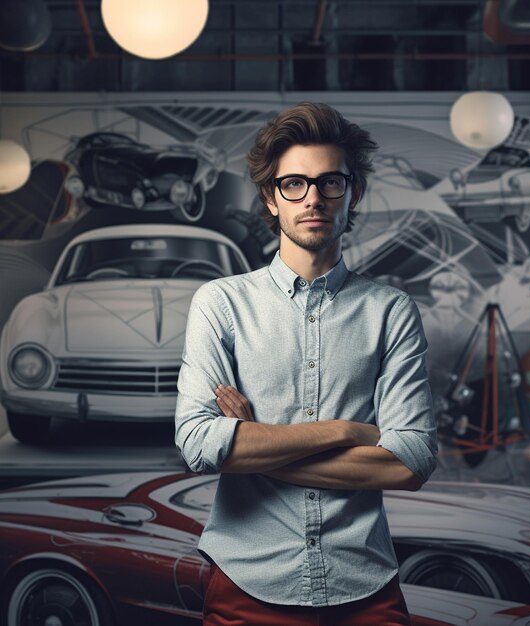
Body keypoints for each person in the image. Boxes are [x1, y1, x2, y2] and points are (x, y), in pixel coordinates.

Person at [175, 102, 438, 626]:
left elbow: (410, 460)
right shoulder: (220, 304)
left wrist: (254, 443)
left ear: (352, 192)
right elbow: (201, 445)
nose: (313, 197)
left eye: (330, 182)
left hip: (364, 582)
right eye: (293, 183)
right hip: (248, 582)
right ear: (271, 199)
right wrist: (348, 431)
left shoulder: (390, 311)